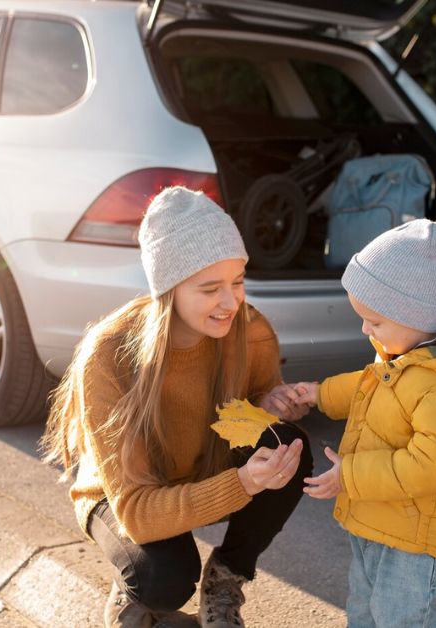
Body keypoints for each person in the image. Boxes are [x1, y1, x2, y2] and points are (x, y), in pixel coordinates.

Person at [41, 186, 314, 628]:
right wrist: (243, 482)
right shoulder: (109, 355)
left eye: (238, 282)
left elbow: (260, 396)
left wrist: (270, 404)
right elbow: (137, 512)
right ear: (168, 290)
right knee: (163, 579)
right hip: (125, 494)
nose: (231, 303)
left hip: (204, 463)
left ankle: (224, 580)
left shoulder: (250, 329)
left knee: (290, 446)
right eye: (210, 289)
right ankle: (132, 590)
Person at [289, 219, 436, 627]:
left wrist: (352, 475)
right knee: (364, 606)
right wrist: (320, 393)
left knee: (401, 617)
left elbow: (427, 466)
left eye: (374, 322)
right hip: (381, 517)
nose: (365, 330)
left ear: (416, 316)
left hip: (419, 541)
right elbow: (371, 385)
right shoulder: (405, 348)